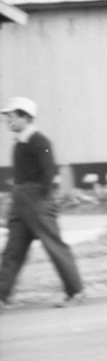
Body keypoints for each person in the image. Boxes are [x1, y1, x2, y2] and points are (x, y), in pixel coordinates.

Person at [0, 97, 85, 309]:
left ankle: (75, 292)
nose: (7, 121)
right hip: (20, 200)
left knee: (54, 246)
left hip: (37, 199)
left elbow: (49, 171)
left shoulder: (40, 141)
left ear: (25, 117)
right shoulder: (20, 142)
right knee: (13, 250)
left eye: (11, 116)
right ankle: (2, 295)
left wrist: (40, 198)